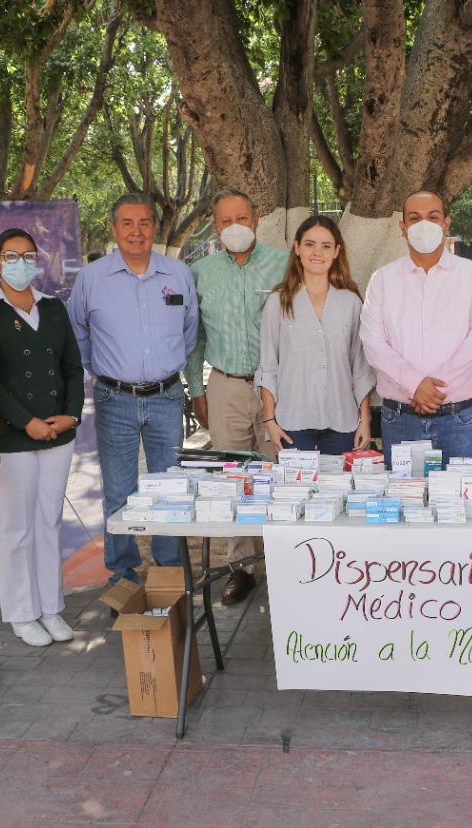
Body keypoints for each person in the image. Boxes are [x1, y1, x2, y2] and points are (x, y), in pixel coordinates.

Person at [69, 193, 199, 584]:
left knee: (169, 488)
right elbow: (78, 335)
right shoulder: (91, 278)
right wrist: (106, 371)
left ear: (155, 228)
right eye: (127, 223)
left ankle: (168, 571)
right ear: (114, 229)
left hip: (167, 396)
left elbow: (189, 331)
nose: (136, 231)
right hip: (114, 398)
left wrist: (163, 365)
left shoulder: (177, 274)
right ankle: (123, 576)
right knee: (119, 491)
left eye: (144, 222)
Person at [0, 228, 84, 647]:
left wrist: (70, 415)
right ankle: (21, 612)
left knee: (49, 521)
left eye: (28, 256)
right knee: (17, 527)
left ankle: (50, 608)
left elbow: (72, 367)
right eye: (12, 256)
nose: (21, 263)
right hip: (12, 436)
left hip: (57, 434)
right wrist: (25, 421)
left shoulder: (52, 307)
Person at [187, 188, 287, 604]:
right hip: (225, 384)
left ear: (256, 220)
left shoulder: (285, 265)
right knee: (234, 478)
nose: (235, 227)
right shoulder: (200, 272)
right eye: (226, 221)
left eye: (241, 218)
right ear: (215, 227)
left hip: (276, 388)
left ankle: (284, 563)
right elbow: (195, 336)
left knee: (278, 474)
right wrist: (197, 391)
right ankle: (241, 568)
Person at [361, 190, 472, 464]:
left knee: (457, 493)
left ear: (446, 224)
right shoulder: (383, 280)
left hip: (457, 419)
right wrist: (414, 384)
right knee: (401, 493)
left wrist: (433, 391)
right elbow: (373, 343)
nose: (424, 225)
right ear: (403, 228)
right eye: (415, 218)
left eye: (433, 217)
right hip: (400, 418)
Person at [258, 215, 375, 457]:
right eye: (310, 244)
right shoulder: (278, 302)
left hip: (342, 421)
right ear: (297, 248)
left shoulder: (351, 303)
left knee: (340, 482)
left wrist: (365, 420)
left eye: (326, 246)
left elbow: (360, 368)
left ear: (337, 251)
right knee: (295, 484)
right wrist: (269, 420)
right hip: (291, 422)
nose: (317, 253)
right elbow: (268, 366)